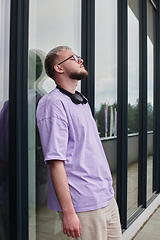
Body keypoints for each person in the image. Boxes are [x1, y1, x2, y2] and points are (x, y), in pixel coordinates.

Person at [36, 46, 123, 240]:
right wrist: (68, 212)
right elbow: (55, 162)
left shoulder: (81, 101)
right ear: (59, 68)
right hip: (84, 204)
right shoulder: (53, 103)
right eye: (74, 57)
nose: (80, 60)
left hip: (106, 198)